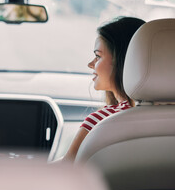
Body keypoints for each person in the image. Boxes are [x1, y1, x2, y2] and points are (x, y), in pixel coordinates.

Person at [62, 16, 145, 162]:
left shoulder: (101, 121)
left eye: (98, 56)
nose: (90, 64)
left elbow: (66, 170)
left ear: (122, 61)